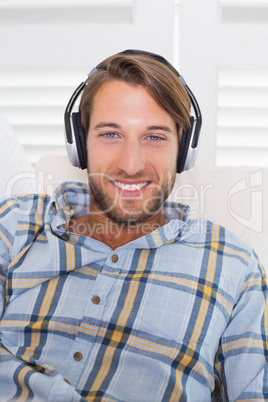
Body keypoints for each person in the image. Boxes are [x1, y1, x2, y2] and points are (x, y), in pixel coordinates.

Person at [0, 50, 267, 402]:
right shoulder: (15, 224)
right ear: (79, 144)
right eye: (111, 134)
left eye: (154, 137)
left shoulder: (234, 265)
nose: (130, 164)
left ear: (184, 149)